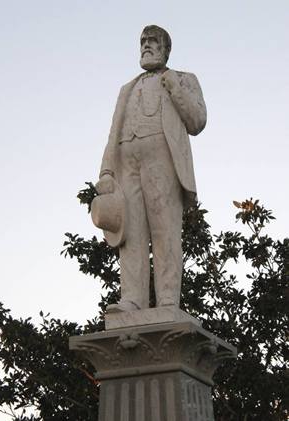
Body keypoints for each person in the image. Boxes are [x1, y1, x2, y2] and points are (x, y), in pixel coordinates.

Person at [96, 25, 207, 313]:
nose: (146, 46)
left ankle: (168, 299)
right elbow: (113, 131)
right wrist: (106, 171)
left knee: (165, 230)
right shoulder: (127, 89)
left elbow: (197, 121)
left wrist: (173, 86)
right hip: (126, 162)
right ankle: (132, 299)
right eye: (143, 41)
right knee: (130, 234)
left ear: (165, 50)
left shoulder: (183, 79)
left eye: (152, 42)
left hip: (162, 160)